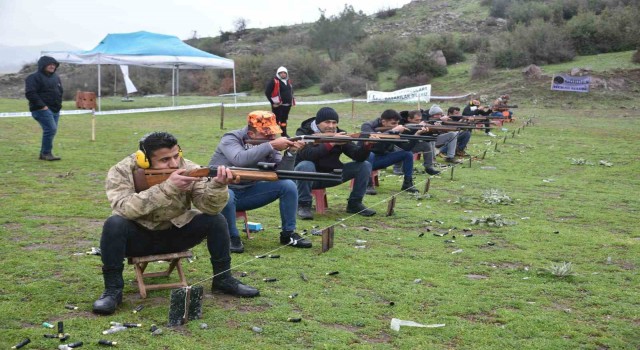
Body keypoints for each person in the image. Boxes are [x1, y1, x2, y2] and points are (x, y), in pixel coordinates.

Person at [93, 132, 259, 315]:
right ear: (145, 160)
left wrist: (218, 186)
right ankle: (113, 290)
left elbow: (209, 207)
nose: (173, 163)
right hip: (138, 239)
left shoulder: (189, 168)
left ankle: (223, 279)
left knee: (216, 220)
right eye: (165, 160)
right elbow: (124, 208)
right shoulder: (121, 171)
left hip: (176, 234)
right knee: (113, 223)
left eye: (175, 155)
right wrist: (168, 188)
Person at [209, 111, 310, 254]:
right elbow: (239, 159)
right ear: (251, 134)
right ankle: (231, 237)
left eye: (273, 134)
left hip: (248, 192)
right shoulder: (231, 138)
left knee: (288, 185)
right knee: (227, 194)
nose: (272, 137)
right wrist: (270, 145)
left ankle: (288, 233)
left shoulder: (269, 144)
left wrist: (291, 152)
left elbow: (282, 174)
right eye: (267, 134)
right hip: (220, 193)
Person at [294, 107, 376, 219]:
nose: (331, 126)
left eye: (334, 122)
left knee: (364, 165)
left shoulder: (339, 134)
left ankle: (355, 204)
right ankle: (303, 205)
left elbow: (358, 157)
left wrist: (367, 145)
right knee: (306, 165)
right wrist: (332, 142)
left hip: (331, 175)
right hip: (305, 178)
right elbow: (309, 155)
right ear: (318, 123)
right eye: (327, 122)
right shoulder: (303, 133)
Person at [361, 109, 422, 194]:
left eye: (397, 123)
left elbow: (406, 147)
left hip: (381, 159)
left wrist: (417, 135)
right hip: (363, 160)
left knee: (408, 154)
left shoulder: (394, 131)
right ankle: (368, 184)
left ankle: (407, 183)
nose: (396, 126)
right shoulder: (367, 126)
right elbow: (373, 139)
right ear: (383, 122)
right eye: (393, 123)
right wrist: (392, 131)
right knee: (370, 154)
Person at [25, 56, 64, 161]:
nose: (52, 66)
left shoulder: (56, 77)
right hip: (41, 109)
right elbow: (30, 93)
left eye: (54, 64)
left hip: (55, 109)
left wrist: (59, 105)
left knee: (51, 130)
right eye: (49, 64)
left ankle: (45, 153)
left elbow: (60, 91)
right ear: (43, 65)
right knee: (51, 129)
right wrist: (43, 106)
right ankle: (46, 153)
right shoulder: (33, 77)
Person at [265, 66, 294, 137]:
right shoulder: (274, 81)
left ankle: (284, 134)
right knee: (276, 121)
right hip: (278, 106)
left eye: (284, 73)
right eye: (281, 73)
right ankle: (272, 135)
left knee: (284, 121)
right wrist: (273, 103)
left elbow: (290, 91)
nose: (283, 74)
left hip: (287, 105)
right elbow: (267, 92)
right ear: (278, 73)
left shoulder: (288, 81)